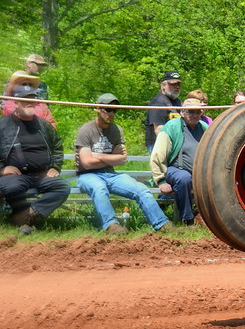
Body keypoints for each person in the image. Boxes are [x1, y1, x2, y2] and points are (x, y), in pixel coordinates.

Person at [75, 93, 175, 235]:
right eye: (107, 109)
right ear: (98, 108)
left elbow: (122, 159)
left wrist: (98, 156)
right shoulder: (86, 130)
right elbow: (86, 162)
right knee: (99, 188)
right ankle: (111, 225)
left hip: (111, 174)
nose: (111, 113)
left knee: (141, 189)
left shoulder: (117, 130)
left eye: (114, 110)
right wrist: (110, 157)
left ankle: (162, 224)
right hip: (87, 175)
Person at [0, 84, 70, 234]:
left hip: (42, 174)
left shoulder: (44, 125)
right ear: (15, 103)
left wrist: (55, 166)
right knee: (11, 187)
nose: (30, 103)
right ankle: (25, 220)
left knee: (62, 188)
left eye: (33, 100)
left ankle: (26, 217)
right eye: (25, 100)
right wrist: (1, 168)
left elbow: (57, 147)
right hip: (17, 175)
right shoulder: (1, 126)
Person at [150, 97, 207, 226]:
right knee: (184, 178)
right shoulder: (172, 127)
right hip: (175, 170)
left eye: (198, 112)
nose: (195, 115)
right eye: (191, 111)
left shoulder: (204, 127)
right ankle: (188, 220)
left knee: (216, 178)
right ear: (182, 112)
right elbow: (158, 155)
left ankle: (207, 216)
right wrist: (161, 180)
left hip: (198, 172)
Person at [145, 70, 182, 152]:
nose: (177, 87)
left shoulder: (177, 101)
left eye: (178, 84)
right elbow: (158, 129)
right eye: (173, 84)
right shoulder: (158, 102)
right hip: (158, 144)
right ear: (164, 85)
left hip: (174, 144)